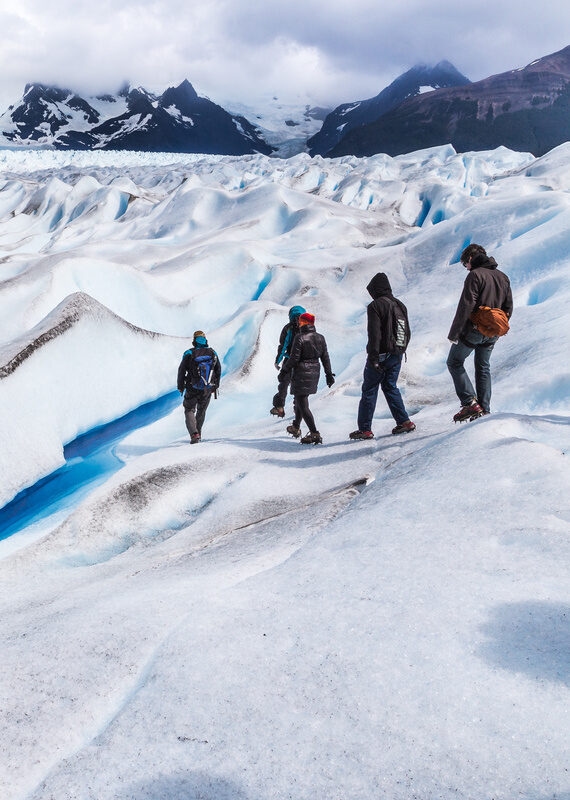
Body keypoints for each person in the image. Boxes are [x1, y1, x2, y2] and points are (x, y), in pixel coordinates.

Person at [447, 244, 513, 422]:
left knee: (454, 362)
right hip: (493, 332)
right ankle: (484, 409)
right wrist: (496, 327)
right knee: (483, 367)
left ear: (471, 259)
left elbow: (466, 306)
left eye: (465, 264)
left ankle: (470, 402)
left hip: (474, 329)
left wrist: (454, 333)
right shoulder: (502, 277)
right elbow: (508, 308)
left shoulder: (475, 275)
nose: (466, 268)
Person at [349, 272, 415, 440]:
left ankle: (365, 429)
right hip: (397, 354)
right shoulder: (400, 304)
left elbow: (374, 334)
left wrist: (373, 357)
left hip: (381, 354)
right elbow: (407, 331)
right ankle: (405, 421)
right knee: (390, 386)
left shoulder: (375, 306)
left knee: (369, 389)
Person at [278, 312, 335, 444]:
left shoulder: (300, 337)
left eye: (301, 321)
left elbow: (294, 358)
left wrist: (284, 370)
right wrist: (328, 374)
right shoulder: (321, 337)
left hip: (301, 373)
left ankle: (314, 433)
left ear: (304, 323)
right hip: (314, 372)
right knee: (301, 401)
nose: (298, 323)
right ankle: (296, 426)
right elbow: (325, 358)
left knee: (303, 405)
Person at [177, 330, 222, 443]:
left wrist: (180, 386)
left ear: (194, 340)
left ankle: (194, 434)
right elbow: (218, 369)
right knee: (201, 411)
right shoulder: (212, 352)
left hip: (192, 387)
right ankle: (199, 434)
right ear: (205, 339)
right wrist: (215, 385)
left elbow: (181, 370)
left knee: (189, 410)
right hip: (207, 388)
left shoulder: (189, 353)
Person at [270, 305, 306, 418]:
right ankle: (298, 408)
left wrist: (278, 361)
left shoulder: (288, 328)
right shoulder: (307, 327)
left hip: (289, 360)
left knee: (284, 383)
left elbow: (283, 345)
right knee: (299, 387)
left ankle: (279, 407)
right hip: (303, 362)